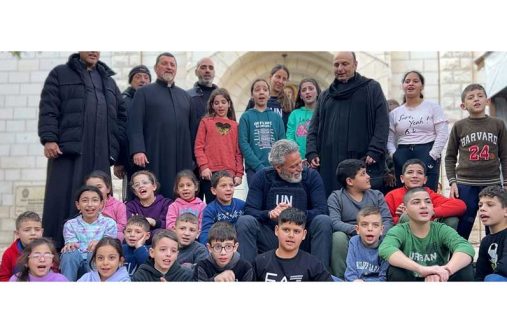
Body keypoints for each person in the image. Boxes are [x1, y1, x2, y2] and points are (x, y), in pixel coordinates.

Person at [38, 51, 127, 249]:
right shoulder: (60, 74)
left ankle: (101, 254)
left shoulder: (110, 83)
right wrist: (49, 138)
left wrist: (116, 152)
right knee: (62, 201)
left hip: (101, 154)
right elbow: (49, 107)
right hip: (67, 152)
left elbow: (121, 118)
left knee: (98, 200)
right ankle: (54, 252)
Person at [236, 139, 332, 267]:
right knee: (245, 221)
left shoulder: (311, 176)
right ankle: (247, 276)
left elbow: (322, 209)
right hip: (272, 237)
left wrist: (296, 215)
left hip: (301, 237)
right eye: (293, 166)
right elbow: (249, 210)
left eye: (300, 163)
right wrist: (269, 214)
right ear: (278, 167)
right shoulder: (262, 177)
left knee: (323, 221)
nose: (300, 169)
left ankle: (319, 277)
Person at [306, 52, 389, 197]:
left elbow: (382, 122)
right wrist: (311, 151)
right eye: (336, 65)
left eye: (345, 64)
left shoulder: (372, 88)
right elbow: (314, 126)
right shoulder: (326, 95)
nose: (340, 68)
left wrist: (375, 149)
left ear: (355, 65)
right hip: (330, 161)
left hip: (362, 158)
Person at [128, 52, 196, 200]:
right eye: (164, 64)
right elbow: (135, 124)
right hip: (154, 154)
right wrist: (138, 150)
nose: (169, 67)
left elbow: (192, 130)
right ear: (156, 68)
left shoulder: (185, 97)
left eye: (172, 65)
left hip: (181, 156)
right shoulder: (143, 93)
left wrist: (193, 157)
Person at [445, 83, 507, 240]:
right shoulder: (459, 126)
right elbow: (450, 157)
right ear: (463, 105)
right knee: (464, 225)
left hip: (492, 182)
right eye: (471, 97)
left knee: (494, 224)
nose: (476, 99)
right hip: (465, 184)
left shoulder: (498, 124)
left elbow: (505, 155)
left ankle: (493, 260)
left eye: (480, 96)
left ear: (488, 101)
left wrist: (505, 181)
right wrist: (452, 181)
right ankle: (460, 261)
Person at [379, 187, 475, 281]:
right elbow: (386, 249)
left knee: (465, 269)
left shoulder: (441, 229)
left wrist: (446, 270)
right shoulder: (399, 230)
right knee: (395, 271)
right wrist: (422, 269)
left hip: (440, 279)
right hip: (412, 279)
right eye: (416, 202)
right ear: (406, 210)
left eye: (428, 202)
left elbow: (465, 247)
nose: (424, 206)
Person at [328, 159, 393, 278]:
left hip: (376, 234)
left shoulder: (376, 195)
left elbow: (387, 220)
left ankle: (383, 277)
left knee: (388, 236)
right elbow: (334, 222)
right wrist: (358, 230)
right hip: (351, 236)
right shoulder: (336, 197)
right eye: (363, 174)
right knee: (337, 237)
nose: (368, 176)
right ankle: (344, 278)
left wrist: (377, 232)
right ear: (349, 181)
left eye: (366, 173)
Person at [387, 70, 449, 192]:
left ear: (422, 86)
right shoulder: (395, 113)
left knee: (427, 191)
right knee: (404, 192)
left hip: (427, 151)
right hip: (402, 152)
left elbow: (442, 133)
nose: (411, 84)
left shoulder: (433, 107)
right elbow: (389, 139)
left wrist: (433, 154)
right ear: (403, 86)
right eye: (407, 81)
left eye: (415, 81)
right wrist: (394, 155)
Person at [253, 208, 333, 282]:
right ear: (277, 230)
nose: (291, 235)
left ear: (304, 234)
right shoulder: (260, 262)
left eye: (296, 231)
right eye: (286, 230)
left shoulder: (314, 265)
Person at [385, 159, 465, 229]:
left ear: (425, 179)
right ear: (402, 178)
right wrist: (401, 217)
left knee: (452, 220)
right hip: (404, 237)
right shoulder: (392, 195)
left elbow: (460, 205)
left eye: (419, 173)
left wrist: (430, 212)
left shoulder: (429, 194)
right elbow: (384, 220)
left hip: (430, 234)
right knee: (406, 218)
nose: (415, 176)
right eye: (410, 172)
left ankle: (442, 246)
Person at [194, 88, 243, 203]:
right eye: (216, 103)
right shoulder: (206, 122)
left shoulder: (235, 126)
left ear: (229, 104)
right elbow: (198, 147)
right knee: (212, 205)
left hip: (228, 173)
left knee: (226, 205)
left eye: (223, 102)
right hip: (210, 173)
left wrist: (239, 174)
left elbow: (238, 152)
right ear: (212, 105)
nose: (220, 106)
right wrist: (204, 167)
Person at [59, 185, 118, 281]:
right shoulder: (70, 224)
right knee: (69, 253)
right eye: (85, 200)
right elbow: (72, 245)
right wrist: (70, 245)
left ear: (101, 204)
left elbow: (110, 246)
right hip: (77, 261)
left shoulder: (109, 223)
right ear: (78, 205)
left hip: (98, 261)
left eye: (94, 200)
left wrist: (99, 245)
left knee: (97, 250)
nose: (90, 204)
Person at [239, 79, 286, 185]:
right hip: (254, 170)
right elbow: (243, 144)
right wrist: (258, 166)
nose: (261, 92)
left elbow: (282, 143)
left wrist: (277, 165)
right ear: (252, 95)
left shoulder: (277, 117)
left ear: (269, 94)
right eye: (257, 90)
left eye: (265, 89)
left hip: (275, 169)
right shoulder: (246, 117)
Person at [119, 64, 152, 200]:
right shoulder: (123, 101)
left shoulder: (153, 100)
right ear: (131, 81)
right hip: (130, 159)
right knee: (133, 195)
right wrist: (119, 161)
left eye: (146, 77)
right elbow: (119, 132)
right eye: (138, 77)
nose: (142, 80)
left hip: (151, 158)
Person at [126, 170, 172, 244]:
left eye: (145, 183)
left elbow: (169, 224)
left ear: (154, 186)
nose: (141, 186)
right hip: (136, 241)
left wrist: (154, 222)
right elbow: (129, 225)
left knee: (158, 233)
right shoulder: (130, 206)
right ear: (135, 192)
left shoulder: (166, 203)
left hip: (159, 243)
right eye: (137, 185)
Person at [199, 170, 245, 244]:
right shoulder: (210, 210)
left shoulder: (242, 205)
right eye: (223, 186)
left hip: (240, 244)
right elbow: (205, 233)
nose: (228, 189)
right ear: (214, 190)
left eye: (231, 185)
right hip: (220, 246)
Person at [344, 206, 388, 282]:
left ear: (381, 230)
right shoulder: (354, 241)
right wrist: (354, 281)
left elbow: (384, 278)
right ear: (357, 229)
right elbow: (350, 272)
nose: (370, 229)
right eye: (364, 224)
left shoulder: (386, 245)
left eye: (375, 225)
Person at [245, 64, 294, 129]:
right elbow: (246, 123)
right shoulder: (255, 100)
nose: (280, 81)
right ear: (270, 77)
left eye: (284, 79)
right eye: (278, 77)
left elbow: (290, 128)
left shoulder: (289, 103)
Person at [475, 186, 507, 281]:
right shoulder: (485, 241)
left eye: (490, 205)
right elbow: (480, 274)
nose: (482, 209)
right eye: (480, 205)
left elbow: (504, 268)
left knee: (492, 279)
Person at [0, 211, 43, 281]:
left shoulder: (49, 251)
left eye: (37, 229)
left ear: (42, 232)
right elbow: (3, 277)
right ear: (17, 233)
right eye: (27, 230)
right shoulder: (9, 254)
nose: (33, 233)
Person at [85, 170, 127, 240]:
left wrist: (103, 227)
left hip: (110, 235)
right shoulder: (86, 205)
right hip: (90, 233)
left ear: (108, 189)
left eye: (99, 187)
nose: (95, 190)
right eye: (90, 187)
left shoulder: (118, 205)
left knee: (119, 235)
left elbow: (123, 225)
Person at [286, 78, 321, 160]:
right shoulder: (294, 114)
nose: (307, 92)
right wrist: (296, 155)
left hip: (319, 158)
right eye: (304, 90)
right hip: (299, 160)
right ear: (300, 96)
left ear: (317, 92)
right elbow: (289, 137)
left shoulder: (323, 112)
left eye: (311, 88)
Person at [187, 57, 218, 122]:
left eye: (211, 68)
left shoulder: (223, 96)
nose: (207, 71)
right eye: (203, 67)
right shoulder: (187, 96)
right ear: (196, 72)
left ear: (214, 73)